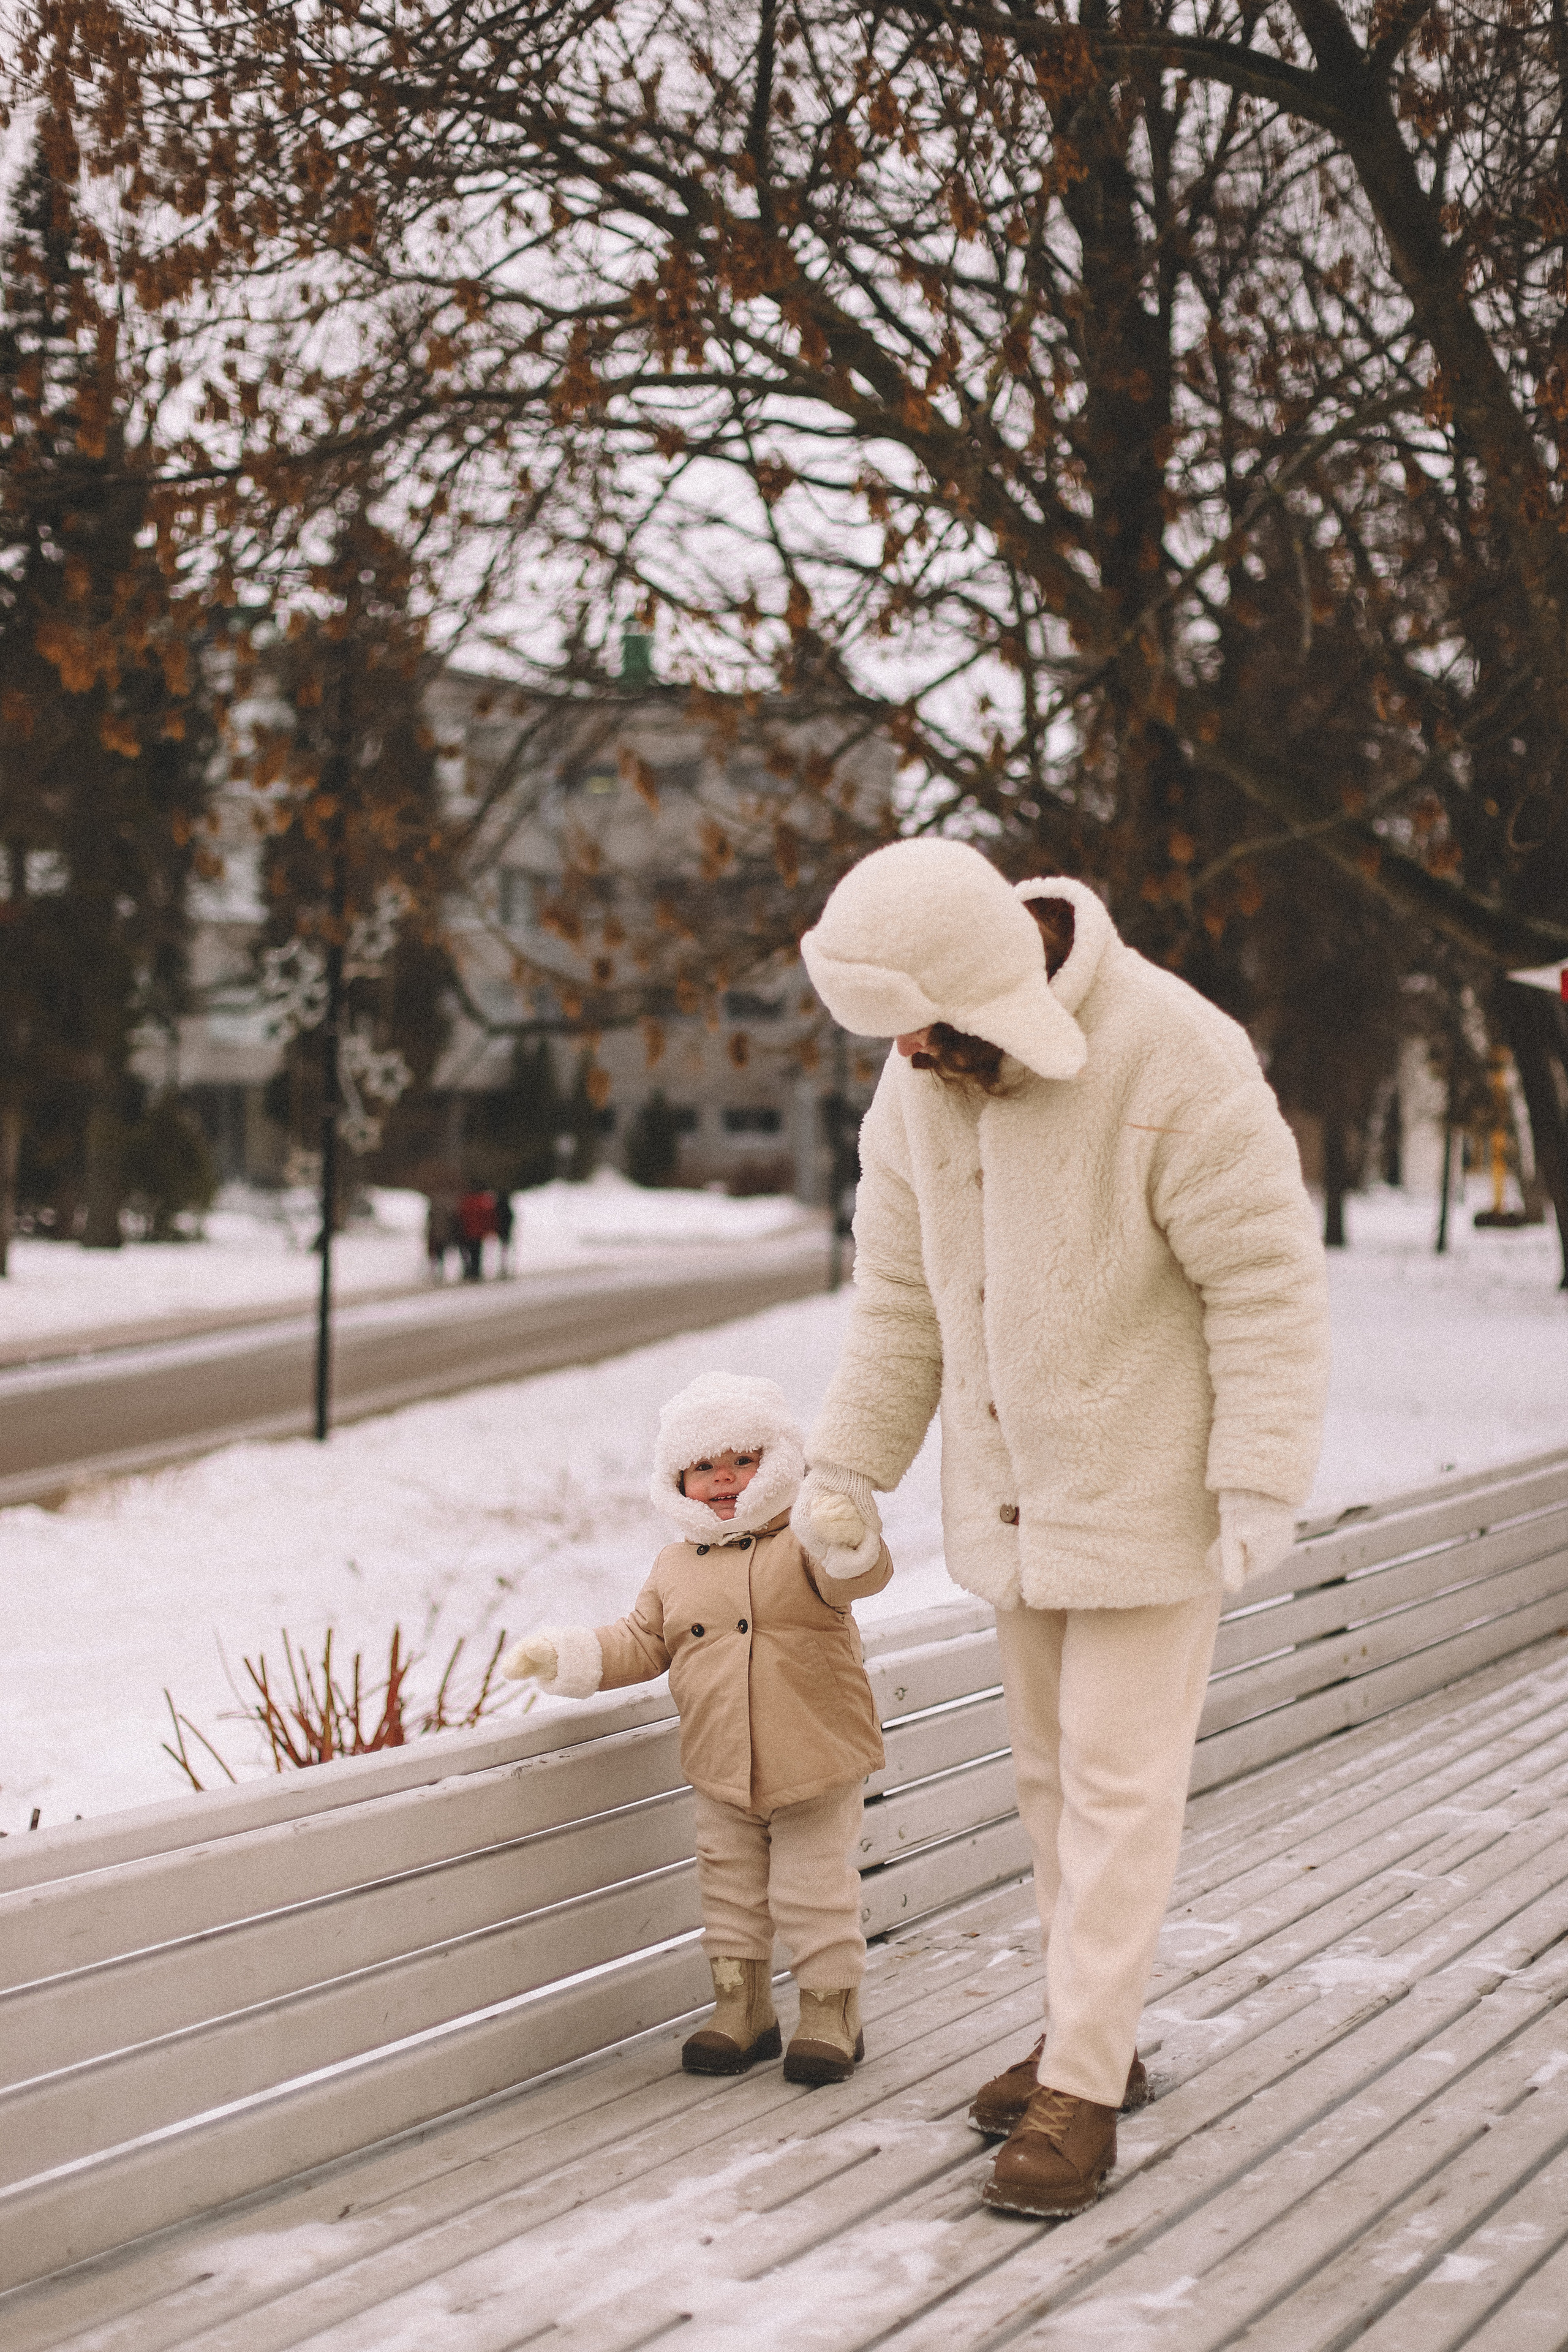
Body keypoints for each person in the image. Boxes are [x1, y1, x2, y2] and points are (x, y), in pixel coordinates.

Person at [788, 839, 1330, 2217]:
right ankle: (1085, 2036)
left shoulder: (1174, 1057)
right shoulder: (916, 1080)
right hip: (1010, 1503)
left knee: (1113, 1785)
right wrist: (847, 1467)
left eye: (912, 1016)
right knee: (1045, 1779)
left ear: (983, 983)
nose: (899, 1048)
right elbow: (898, 1301)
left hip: (1152, 1501)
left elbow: (1264, 1286)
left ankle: (1080, 2086)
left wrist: (1257, 1477)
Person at [502, 1372, 893, 2084]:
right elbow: (641, 1641)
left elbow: (853, 1579)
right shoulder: (675, 1567)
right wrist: (567, 1657)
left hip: (814, 1756)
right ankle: (741, 2010)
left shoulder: (803, 1543)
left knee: (813, 1891)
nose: (724, 1481)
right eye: (704, 1468)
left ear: (777, 1464)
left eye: (742, 1462)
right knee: (730, 1891)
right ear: (676, 1480)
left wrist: (847, 1538)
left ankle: (831, 2011)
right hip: (720, 1766)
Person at [455, 1184, 494, 1281]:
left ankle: (470, 1271)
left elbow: (461, 1218)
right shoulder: (480, 1203)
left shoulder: (465, 1203)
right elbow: (486, 1218)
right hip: (478, 1233)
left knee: (469, 1252)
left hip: (467, 1232)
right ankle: (476, 1271)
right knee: (477, 1253)